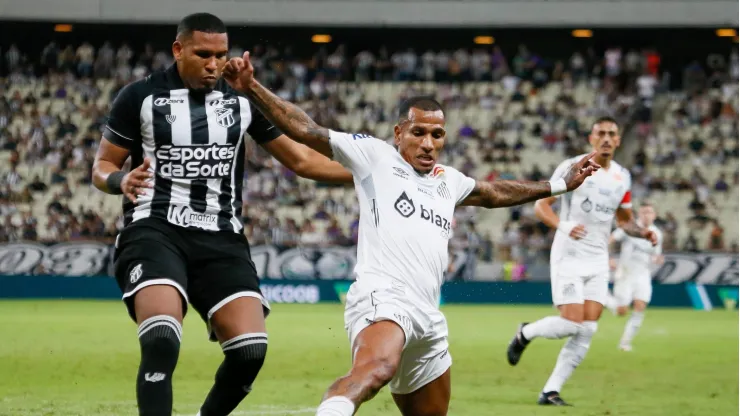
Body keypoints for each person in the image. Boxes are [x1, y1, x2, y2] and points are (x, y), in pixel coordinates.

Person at [220, 51, 600, 416]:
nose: (429, 143)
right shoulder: (374, 156)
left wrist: (557, 185)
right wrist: (251, 87)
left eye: (437, 134)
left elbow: (494, 192)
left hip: (428, 313)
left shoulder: (449, 180)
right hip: (384, 298)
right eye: (419, 132)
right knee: (375, 370)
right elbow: (307, 130)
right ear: (399, 133)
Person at [91, 13, 352, 416]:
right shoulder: (139, 97)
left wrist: (377, 174)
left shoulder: (242, 100)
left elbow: (303, 161)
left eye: (221, 55)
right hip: (154, 228)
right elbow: (101, 167)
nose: (214, 64)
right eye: (203, 54)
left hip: (221, 237)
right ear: (178, 50)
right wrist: (118, 182)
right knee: (161, 337)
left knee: (250, 352)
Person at [506, 116, 659, 406]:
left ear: (618, 141)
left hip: (598, 259)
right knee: (572, 323)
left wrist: (643, 233)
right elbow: (542, 205)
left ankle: (550, 391)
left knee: (588, 328)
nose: (605, 138)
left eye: (611, 133)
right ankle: (526, 332)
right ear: (591, 138)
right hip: (569, 254)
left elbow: (624, 220)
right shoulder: (572, 166)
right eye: (600, 133)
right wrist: (563, 226)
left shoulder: (622, 177)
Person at [604, 202, 664, 351]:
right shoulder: (630, 227)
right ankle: (604, 297)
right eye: (644, 212)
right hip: (625, 273)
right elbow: (610, 240)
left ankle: (625, 343)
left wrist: (657, 259)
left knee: (640, 307)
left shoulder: (657, 233)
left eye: (649, 212)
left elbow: (656, 254)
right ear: (639, 215)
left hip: (643, 274)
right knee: (621, 311)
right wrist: (609, 257)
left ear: (654, 215)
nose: (646, 215)